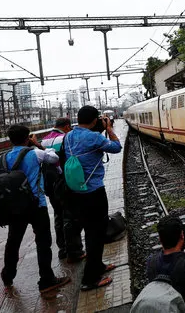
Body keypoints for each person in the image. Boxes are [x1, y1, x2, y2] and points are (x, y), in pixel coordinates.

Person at [0, 125, 70, 294]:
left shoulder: (2, 158)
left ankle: (8, 275)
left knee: (13, 241)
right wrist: (38, 144)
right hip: (36, 205)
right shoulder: (35, 153)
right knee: (43, 242)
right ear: (27, 138)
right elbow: (53, 158)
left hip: (14, 208)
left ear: (10, 139)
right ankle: (46, 279)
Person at [65, 105, 122, 291]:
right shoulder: (94, 137)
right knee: (95, 233)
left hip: (76, 191)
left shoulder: (69, 136)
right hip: (94, 192)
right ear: (95, 120)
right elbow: (116, 147)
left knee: (91, 230)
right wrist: (109, 129)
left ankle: (98, 266)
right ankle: (90, 279)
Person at [40, 117, 85, 262]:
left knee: (58, 215)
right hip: (64, 182)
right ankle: (75, 250)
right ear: (66, 127)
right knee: (71, 216)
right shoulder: (66, 138)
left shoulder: (44, 140)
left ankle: (63, 249)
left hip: (50, 185)